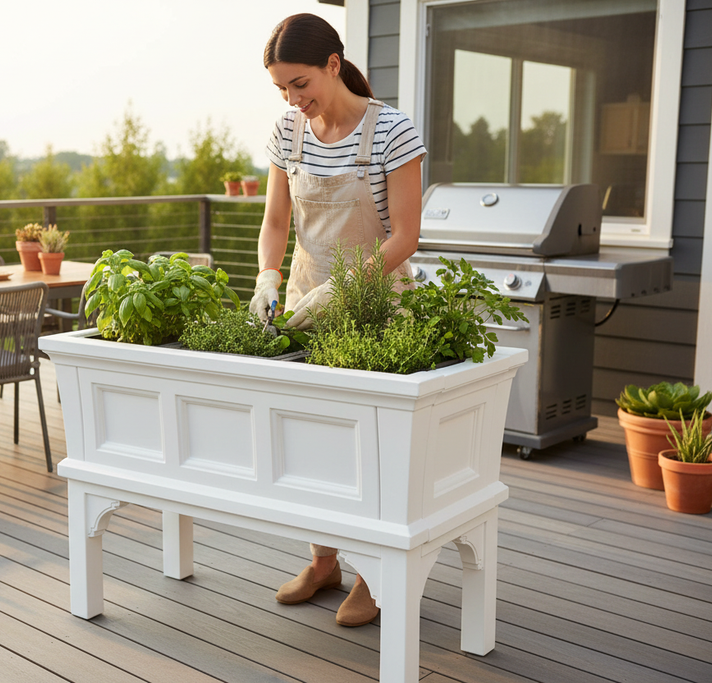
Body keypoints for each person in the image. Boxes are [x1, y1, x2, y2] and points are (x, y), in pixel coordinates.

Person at [250, 13, 427, 627]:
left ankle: (370, 578)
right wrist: (268, 276)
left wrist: (345, 288)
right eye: (281, 90)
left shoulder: (391, 131)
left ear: (332, 64)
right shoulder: (288, 131)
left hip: (375, 302)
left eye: (300, 84)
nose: (293, 100)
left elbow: (406, 235)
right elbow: (276, 222)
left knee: (368, 446)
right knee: (310, 438)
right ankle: (323, 560)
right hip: (304, 303)